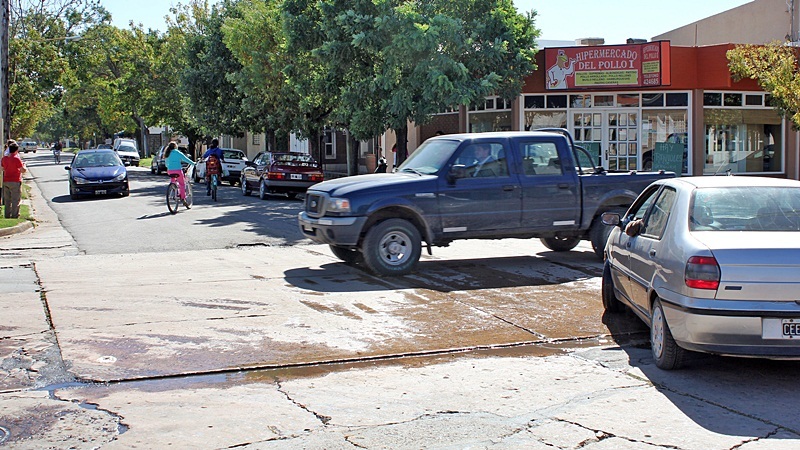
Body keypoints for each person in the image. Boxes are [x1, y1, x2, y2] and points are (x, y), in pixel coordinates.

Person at [2, 142, 27, 218]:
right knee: (15, 199)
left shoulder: (4, 158)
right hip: (15, 180)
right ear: (16, 150)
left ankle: (7, 215)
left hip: (6, 180)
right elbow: (23, 170)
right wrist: (24, 165)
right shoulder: (16, 159)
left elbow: (2, 168)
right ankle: (14, 215)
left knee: (7, 200)